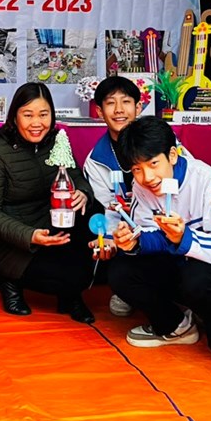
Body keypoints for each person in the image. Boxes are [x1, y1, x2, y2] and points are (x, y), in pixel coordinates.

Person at [109, 116, 211, 366]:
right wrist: (133, 242)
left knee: (196, 280)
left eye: (154, 163)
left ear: (173, 155)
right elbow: (146, 231)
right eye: (137, 169)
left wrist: (184, 238)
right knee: (120, 272)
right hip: (173, 267)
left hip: (210, 273)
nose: (147, 177)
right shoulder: (141, 186)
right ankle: (176, 326)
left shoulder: (206, 180)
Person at [0, 82, 96, 323]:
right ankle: (10, 280)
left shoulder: (57, 141)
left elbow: (77, 177)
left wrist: (83, 193)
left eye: (43, 114)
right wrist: (30, 236)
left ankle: (70, 296)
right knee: (65, 278)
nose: (36, 123)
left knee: (92, 211)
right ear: (14, 117)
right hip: (17, 241)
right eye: (28, 115)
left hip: (53, 225)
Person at [82, 75, 143, 317]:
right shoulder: (96, 160)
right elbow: (107, 207)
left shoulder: (163, 141)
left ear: (138, 107)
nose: (119, 110)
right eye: (110, 103)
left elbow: (186, 182)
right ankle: (127, 287)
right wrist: (110, 241)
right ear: (99, 111)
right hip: (125, 233)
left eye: (126, 102)